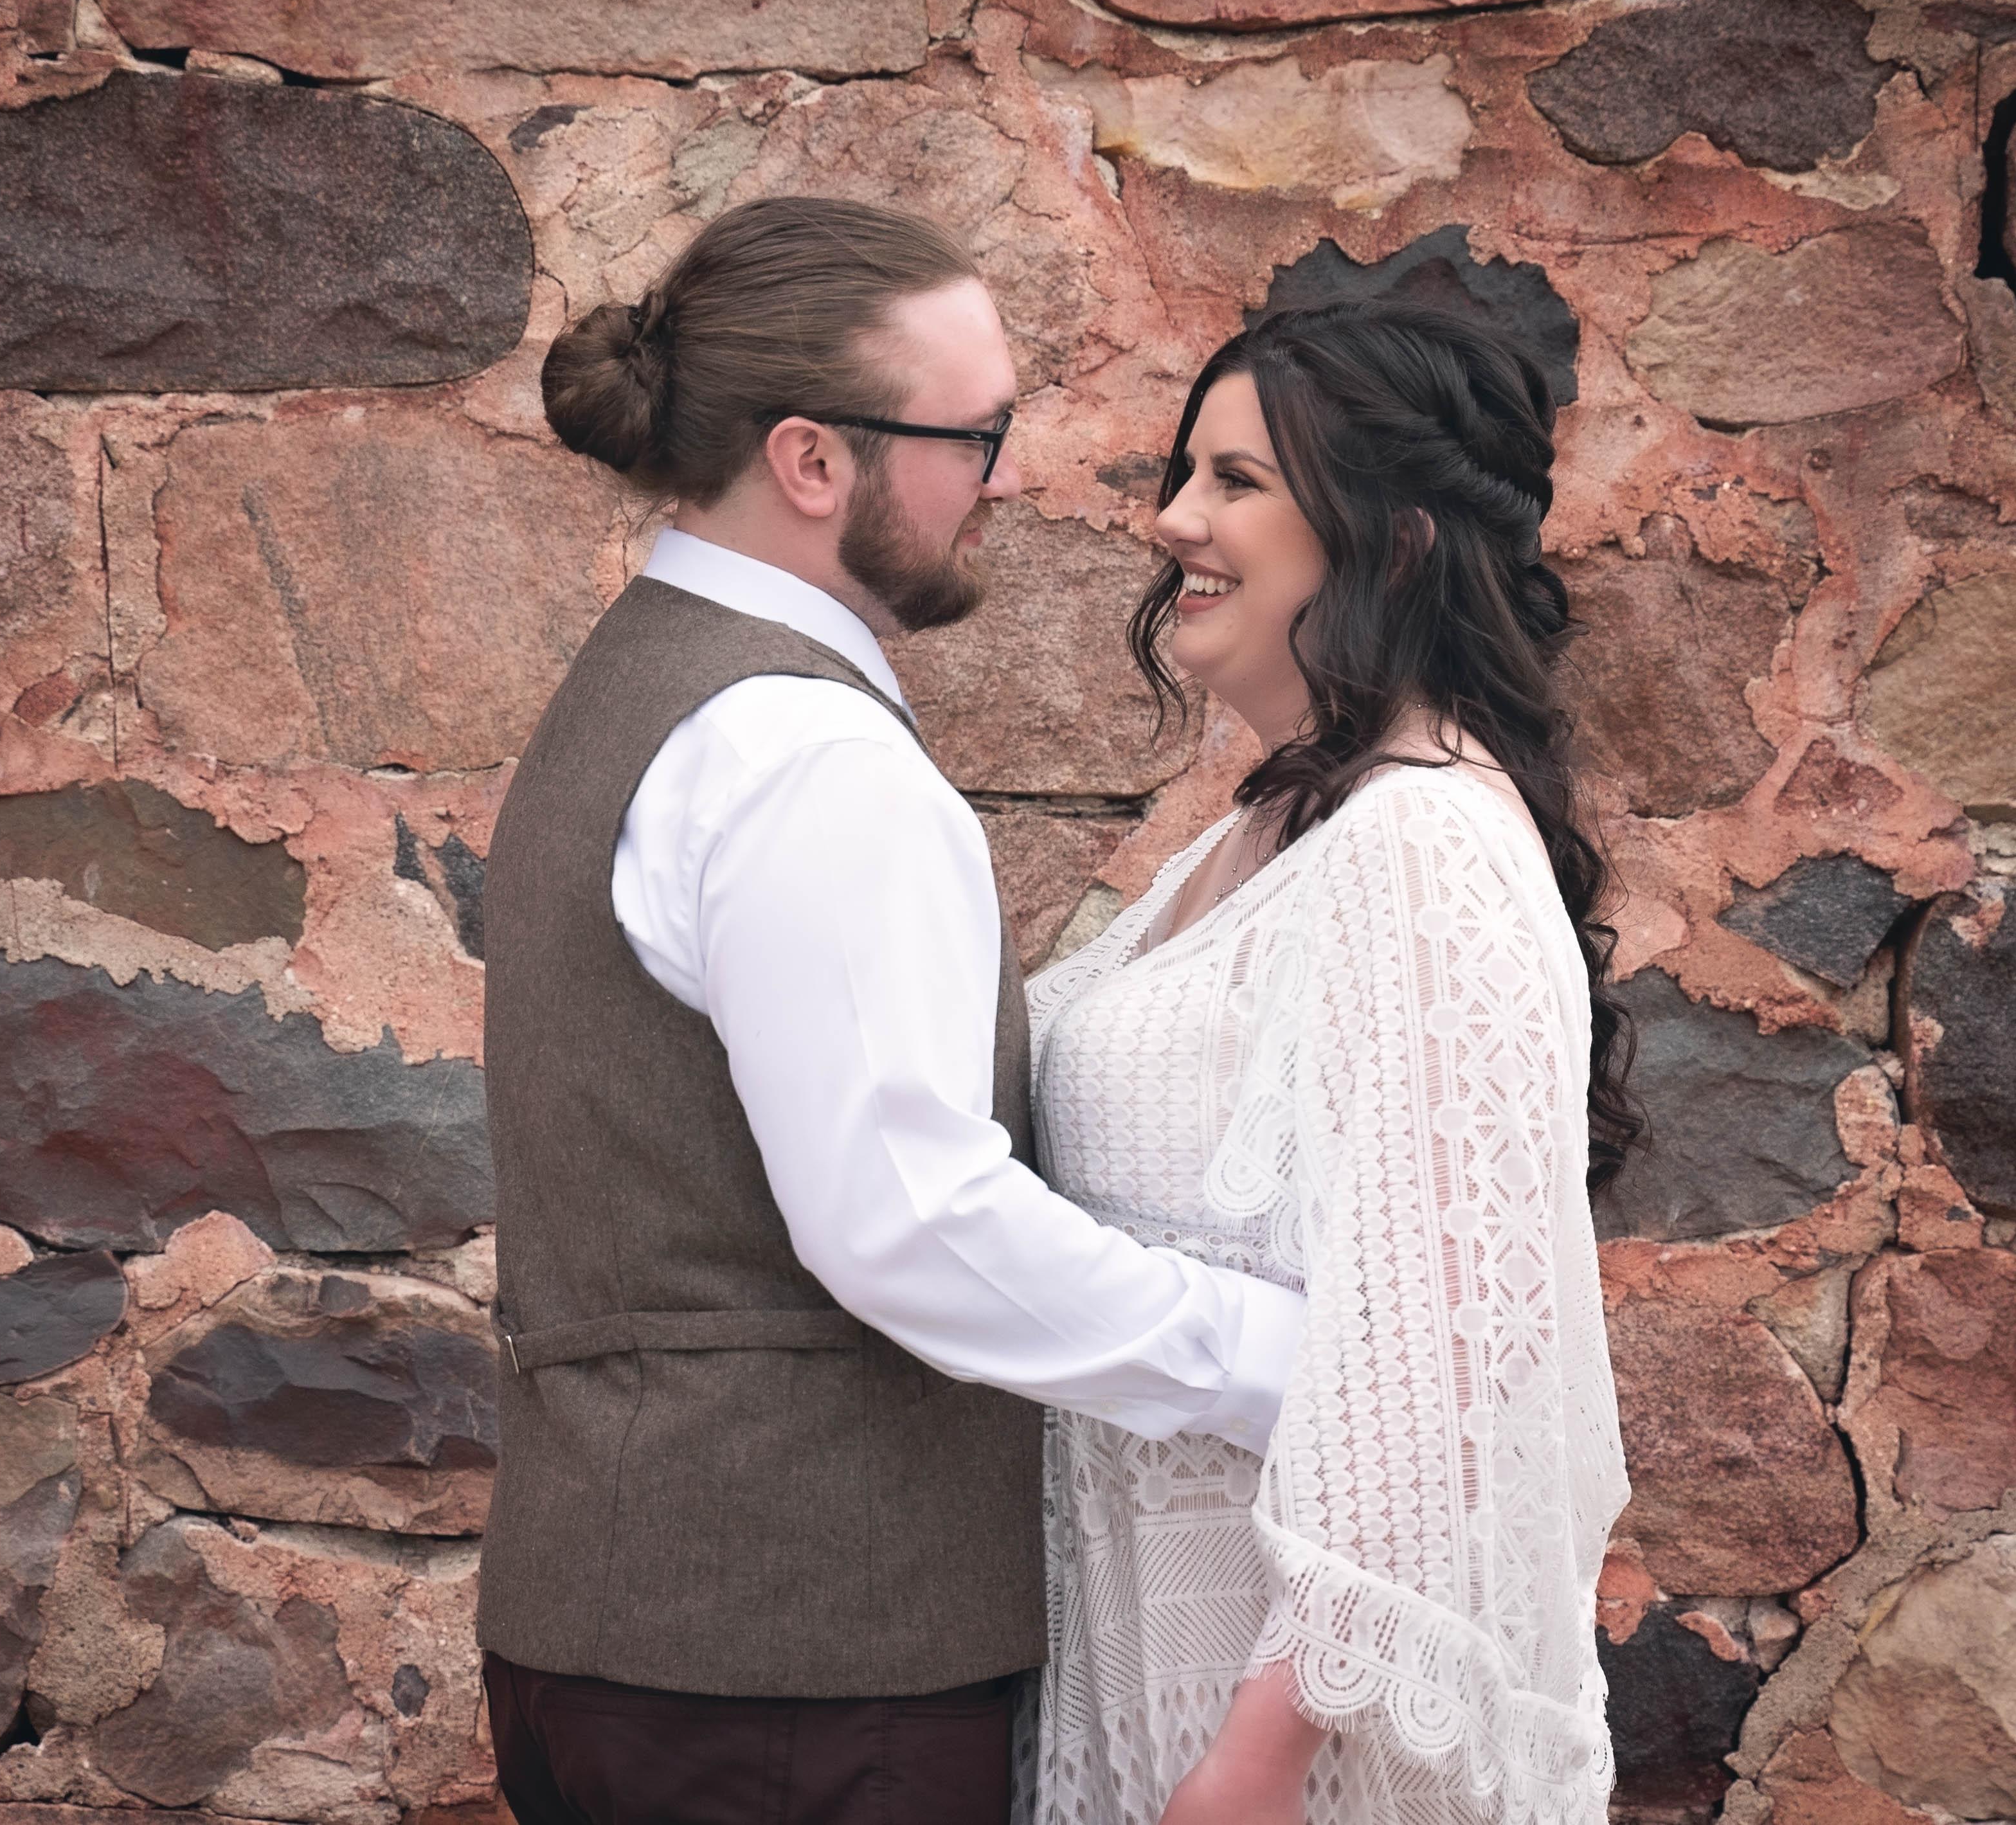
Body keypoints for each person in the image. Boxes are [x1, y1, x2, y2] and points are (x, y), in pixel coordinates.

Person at [474, 197, 1309, 1825]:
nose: (1005, 478)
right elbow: (911, 1221)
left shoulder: (648, 683)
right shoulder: (806, 753)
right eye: (974, 434)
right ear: (809, 458)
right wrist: (1285, 1361)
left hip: (625, 1638)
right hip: (795, 1679)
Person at [1027, 301, 1636, 1825]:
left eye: (1236, 481)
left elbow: (1447, 1355)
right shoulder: (1272, 827)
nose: (1174, 518)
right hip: (1147, 1664)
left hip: (1291, 1754)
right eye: (1186, 472)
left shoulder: (1425, 842)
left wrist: (1257, 1758)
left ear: (1397, 542)